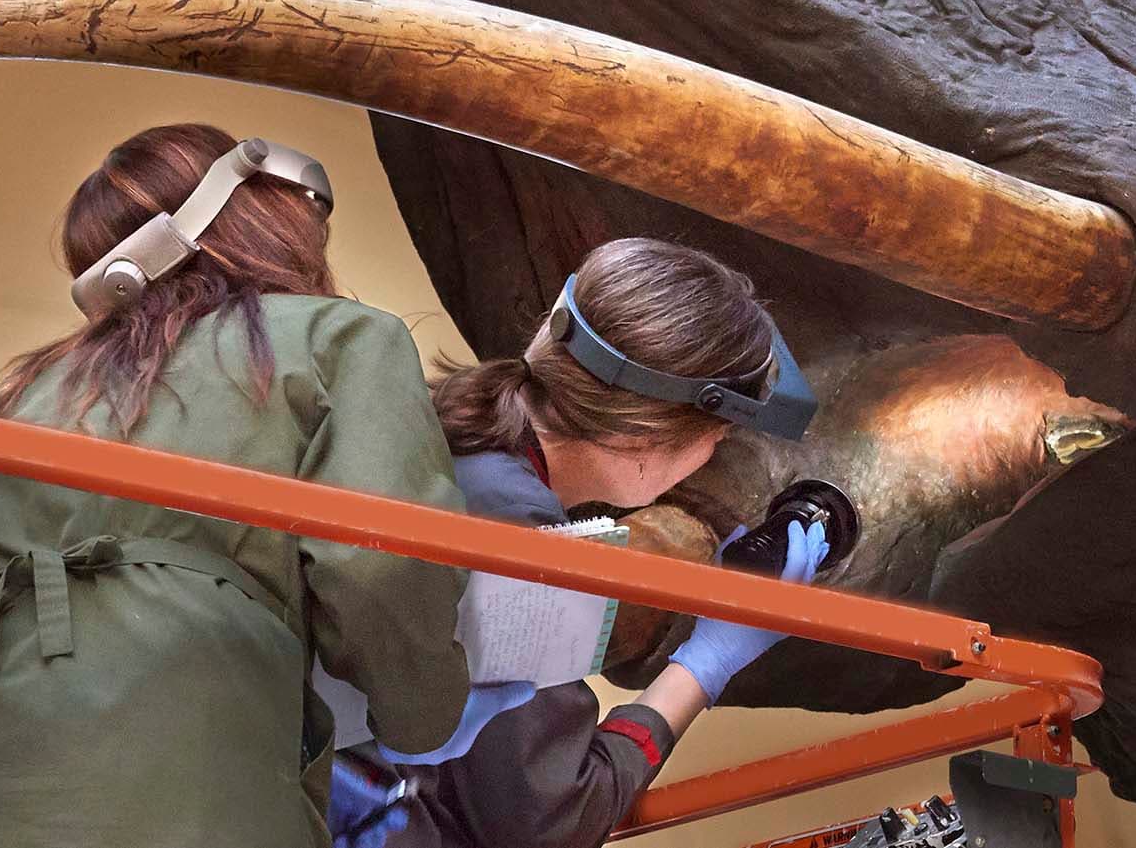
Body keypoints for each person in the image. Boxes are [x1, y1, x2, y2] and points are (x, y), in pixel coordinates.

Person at [0, 124, 488, 848]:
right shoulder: (337, 336)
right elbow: (381, 563)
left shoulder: (23, 396)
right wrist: (426, 713)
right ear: (260, 214)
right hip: (177, 788)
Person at [330, 237, 829, 848]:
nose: (710, 456)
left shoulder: (442, 436)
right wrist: (709, 660)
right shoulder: (516, 535)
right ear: (648, 436)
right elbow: (546, 821)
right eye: (717, 439)